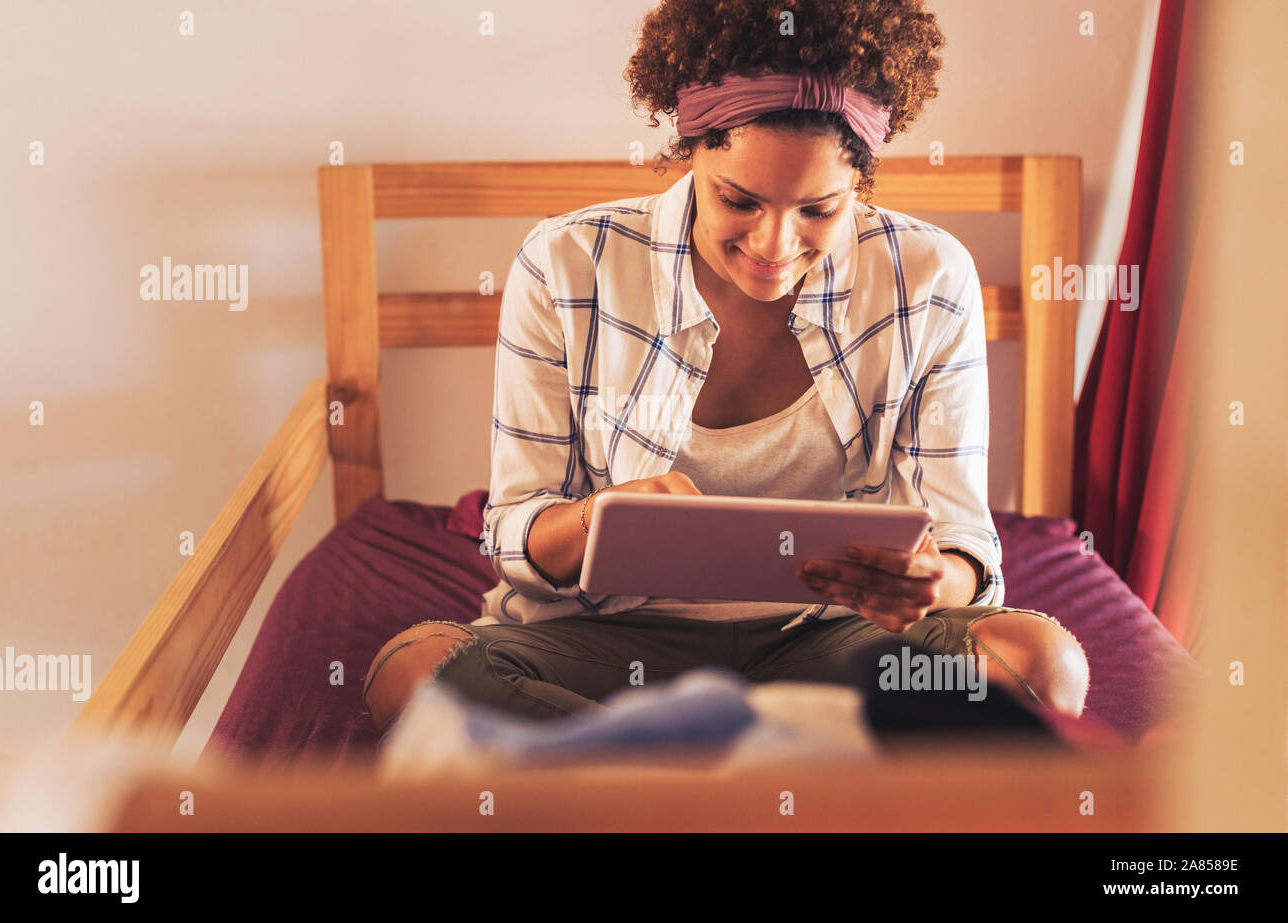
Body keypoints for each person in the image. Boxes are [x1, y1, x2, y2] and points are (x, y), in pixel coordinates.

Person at [364, 0, 1090, 733]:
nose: (776, 244)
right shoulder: (565, 265)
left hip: (832, 636)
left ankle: (636, 776)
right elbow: (516, 540)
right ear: (690, 150)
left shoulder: (927, 279)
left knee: (1040, 661)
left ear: (861, 183)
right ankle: (772, 769)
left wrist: (937, 578)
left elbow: (969, 550)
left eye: (819, 209)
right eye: (739, 200)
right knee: (414, 672)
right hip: (604, 640)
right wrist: (600, 521)